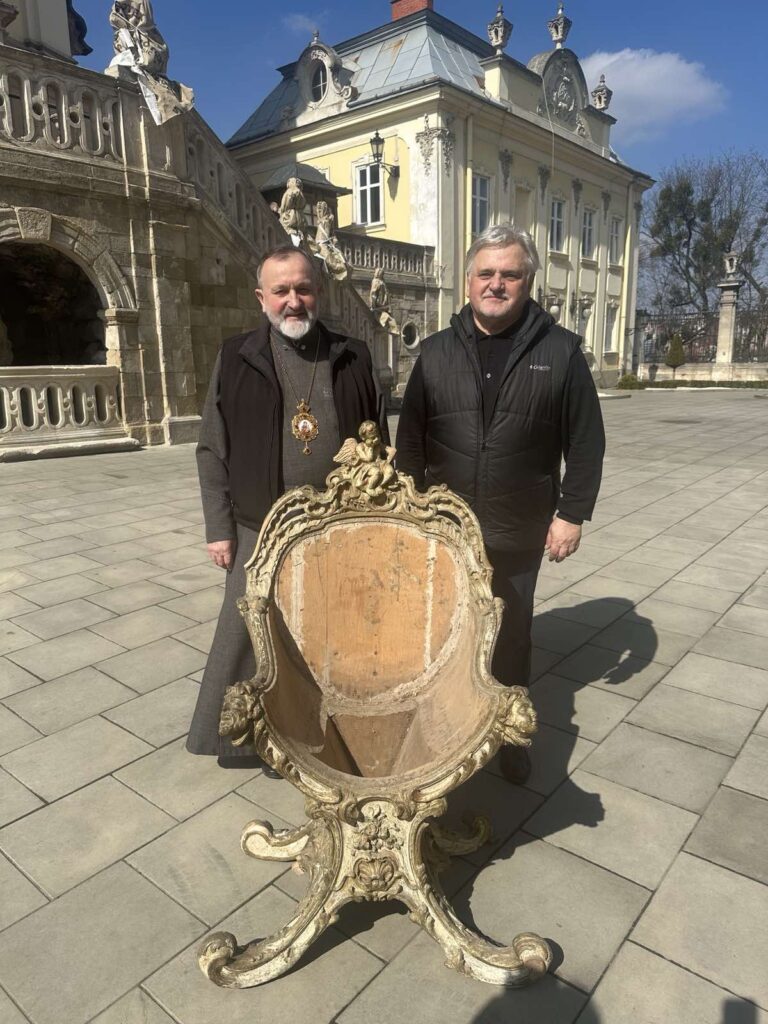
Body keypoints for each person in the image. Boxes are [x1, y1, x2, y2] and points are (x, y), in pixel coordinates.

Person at [395, 223, 605, 782]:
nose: (496, 284)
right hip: (444, 532)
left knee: (510, 637)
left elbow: (586, 441)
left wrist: (570, 514)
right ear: (467, 282)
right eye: (485, 273)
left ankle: (509, 733)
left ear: (527, 281)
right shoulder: (436, 353)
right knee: (442, 638)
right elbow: (410, 443)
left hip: (519, 527)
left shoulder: (559, 352)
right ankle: (443, 732)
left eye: (509, 274)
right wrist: (407, 518)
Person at [186, 244, 387, 765]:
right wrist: (219, 527)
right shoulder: (236, 356)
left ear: (316, 291)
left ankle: (316, 737)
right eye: (281, 291)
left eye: (303, 288)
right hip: (260, 524)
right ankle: (234, 739)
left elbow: (377, 442)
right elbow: (212, 447)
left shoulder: (352, 354)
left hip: (336, 527)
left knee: (323, 637)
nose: (293, 301)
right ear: (262, 298)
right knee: (245, 633)